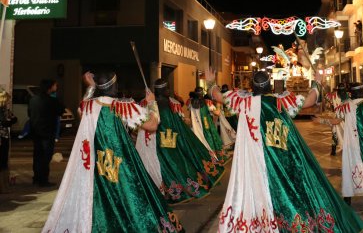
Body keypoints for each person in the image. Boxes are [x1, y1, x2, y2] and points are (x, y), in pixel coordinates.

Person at [209, 70, 363, 232]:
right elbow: (309, 101)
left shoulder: (241, 100)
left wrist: (210, 82)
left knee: (256, 188)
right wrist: (317, 83)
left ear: (251, 86)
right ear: (270, 85)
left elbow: (217, 95)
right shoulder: (280, 101)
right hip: (278, 159)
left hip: (251, 162)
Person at [43, 71, 184, 232]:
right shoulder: (123, 106)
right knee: (129, 197)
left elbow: (81, 110)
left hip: (95, 166)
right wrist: (152, 104)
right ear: (114, 87)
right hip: (119, 164)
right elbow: (152, 125)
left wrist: (90, 87)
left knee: (98, 198)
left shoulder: (89, 106)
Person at [136, 79, 224, 203]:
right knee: (178, 164)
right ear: (166, 90)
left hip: (157, 141)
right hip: (170, 139)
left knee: (165, 165)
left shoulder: (149, 103)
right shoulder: (170, 104)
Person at [29, 79, 64, 187]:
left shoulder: (33, 100)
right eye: (54, 85)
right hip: (48, 133)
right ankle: (43, 180)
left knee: (37, 155)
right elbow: (61, 110)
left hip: (36, 131)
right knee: (45, 157)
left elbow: (29, 113)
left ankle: (36, 178)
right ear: (50, 87)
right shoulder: (52, 101)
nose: (56, 87)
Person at [187, 87, 231, 163]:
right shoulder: (207, 102)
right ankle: (213, 159)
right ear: (202, 94)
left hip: (195, 127)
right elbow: (217, 113)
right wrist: (218, 104)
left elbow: (190, 113)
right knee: (210, 141)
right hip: (207, 126)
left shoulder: (190, 102)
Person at [0, 87, 17, 192]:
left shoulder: (5, 110)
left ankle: (3, 186)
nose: (8, 101)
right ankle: (2, 186)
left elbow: (14, 118)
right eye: (6, 99)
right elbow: (8, 121)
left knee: (3, 162)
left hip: (4, 137)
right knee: (2, 162)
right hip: (2, 138)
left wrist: (10, 121)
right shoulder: (3, 110)